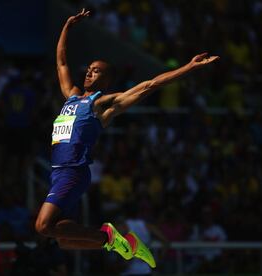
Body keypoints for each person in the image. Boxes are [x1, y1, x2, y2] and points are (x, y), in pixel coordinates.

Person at [35, 8, 219, 269]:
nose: (89, 73)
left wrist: (189, 67)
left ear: (106, 80)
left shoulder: (103, 105)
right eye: (88, 69)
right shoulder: (72, 96)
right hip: (57, 172)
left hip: (73, 171)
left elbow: (150, 85)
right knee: (64, 239)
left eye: (96, 71)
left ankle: (109, 236)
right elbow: (62, 62)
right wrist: (66, 26)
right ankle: (119, 243)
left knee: (43, 226)